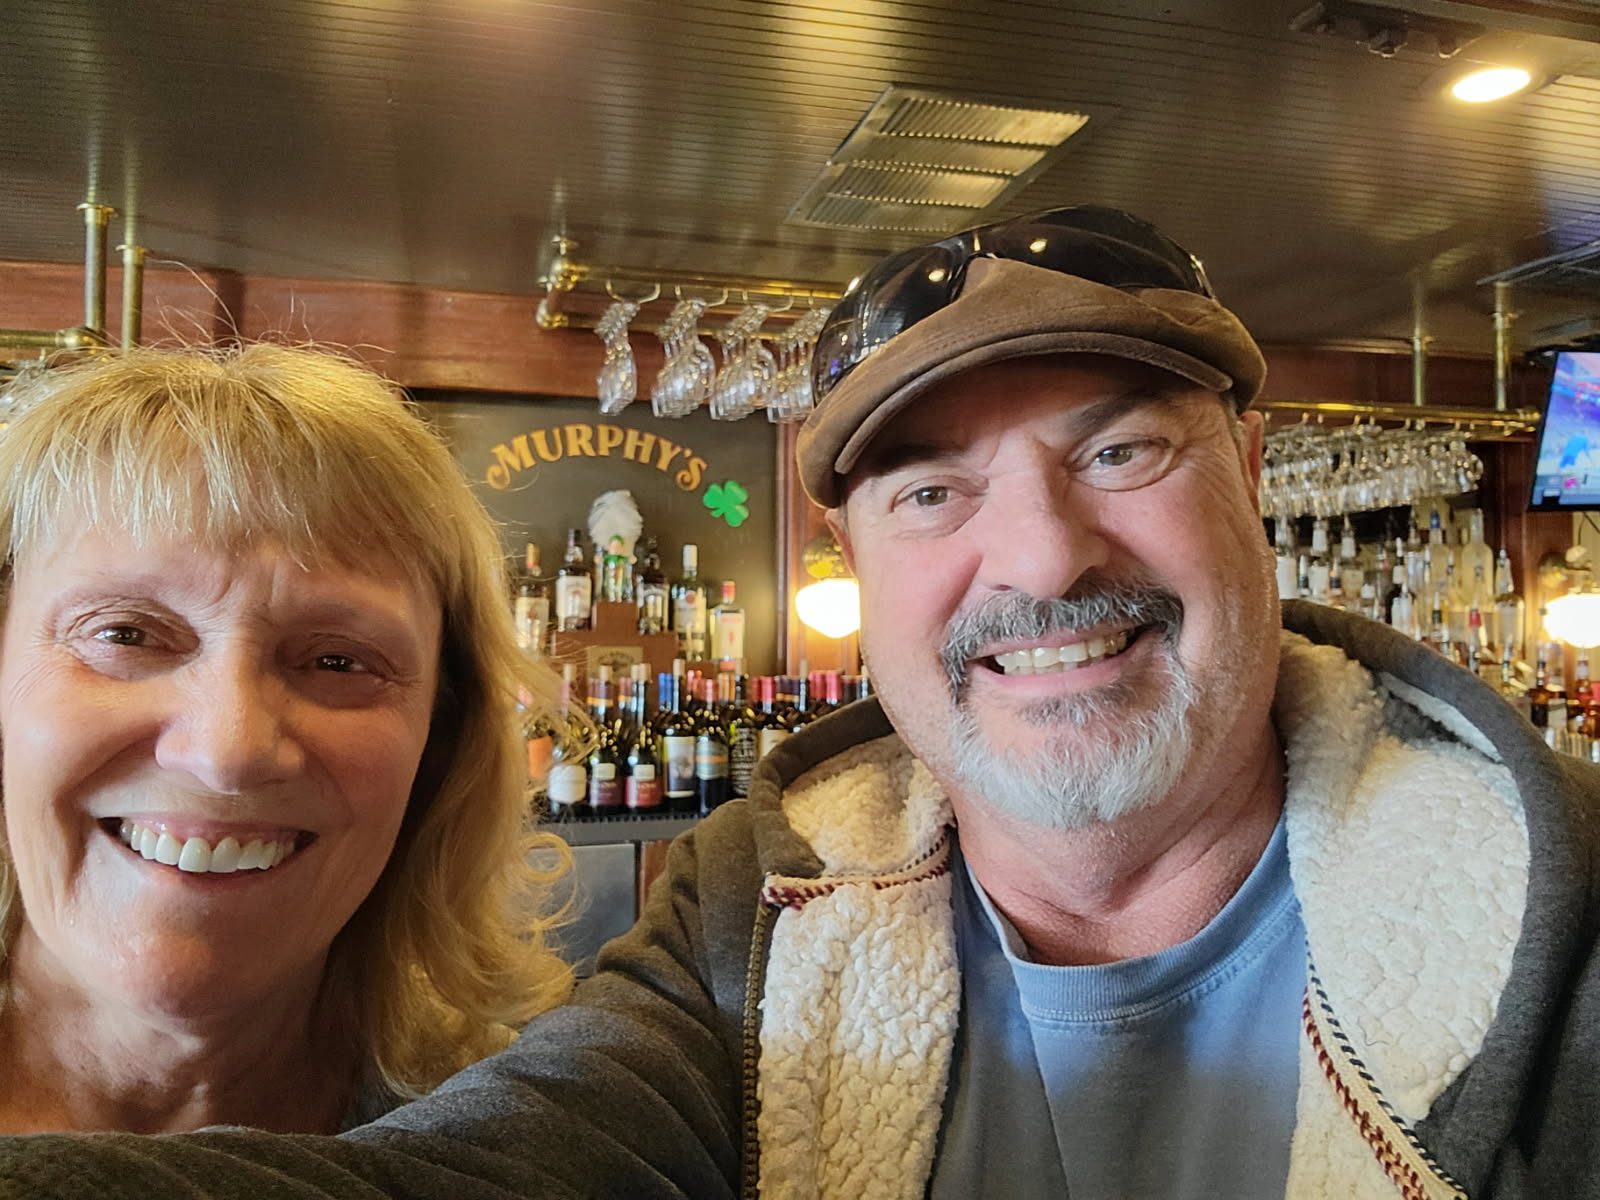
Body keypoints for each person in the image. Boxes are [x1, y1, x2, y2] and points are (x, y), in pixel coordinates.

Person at [2, 210, 1598, 1198]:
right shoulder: (744, 933)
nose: (1042, 553)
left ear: (1247, 472)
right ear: (852, 559)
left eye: (1121, 451)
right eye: (931, 491)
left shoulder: (1560, 913)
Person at [0, 344, 572, 1135]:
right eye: (126, 633)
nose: (227, 752)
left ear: (439, 743)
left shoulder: (515, 1145)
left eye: (338, 661)